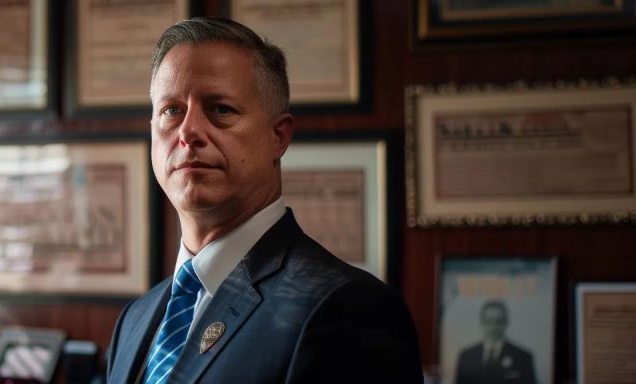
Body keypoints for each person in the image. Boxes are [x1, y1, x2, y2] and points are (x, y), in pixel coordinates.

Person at [105, 17, 422, 383]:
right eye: (171, 110)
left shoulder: (351, 309)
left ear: (278, 136)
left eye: (220, 109)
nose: (188, 132)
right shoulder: (134, 320)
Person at [454, 300, 536, 384]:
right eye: (489, 321)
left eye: (499, 321)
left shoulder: (523, 357)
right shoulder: (466, 356)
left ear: (506, 322)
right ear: (481, 322)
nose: (493, 327)